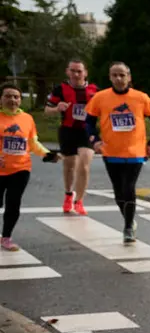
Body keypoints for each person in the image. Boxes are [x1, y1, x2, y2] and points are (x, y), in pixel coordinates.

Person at [84, 61, 150, 243]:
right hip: (111, 151)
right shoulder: (100, 98)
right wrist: (94, 140)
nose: (119, 78)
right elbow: (88, 122)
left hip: (135, 151)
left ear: (129, 77)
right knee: (118, 192)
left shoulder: (140, 97)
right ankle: (129, 219)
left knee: (129, 188)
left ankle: (127, 227)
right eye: (115, 75)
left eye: (122, 75)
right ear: (110, 77)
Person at [2, 83, 59, 251]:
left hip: (21, 169)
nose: (12, 99)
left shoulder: (27, 119)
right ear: (1, 99)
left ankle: (6, 237)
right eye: (8, 96)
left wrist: (47, 154)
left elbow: (33, 143)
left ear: (20, 100)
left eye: (16, 96)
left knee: (13, 204)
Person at [44, 59, 96, 216]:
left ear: (85, 73)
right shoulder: (60, 89)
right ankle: (68, 194)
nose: (76, 74)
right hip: (67, 130)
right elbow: (47, 109)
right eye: (73, 71)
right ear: (67, 72)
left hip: (86, 131)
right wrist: (56, 108)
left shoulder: (95, 90)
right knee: (70, 165)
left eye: (79, 71)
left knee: (85, 163)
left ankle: (79, 201)